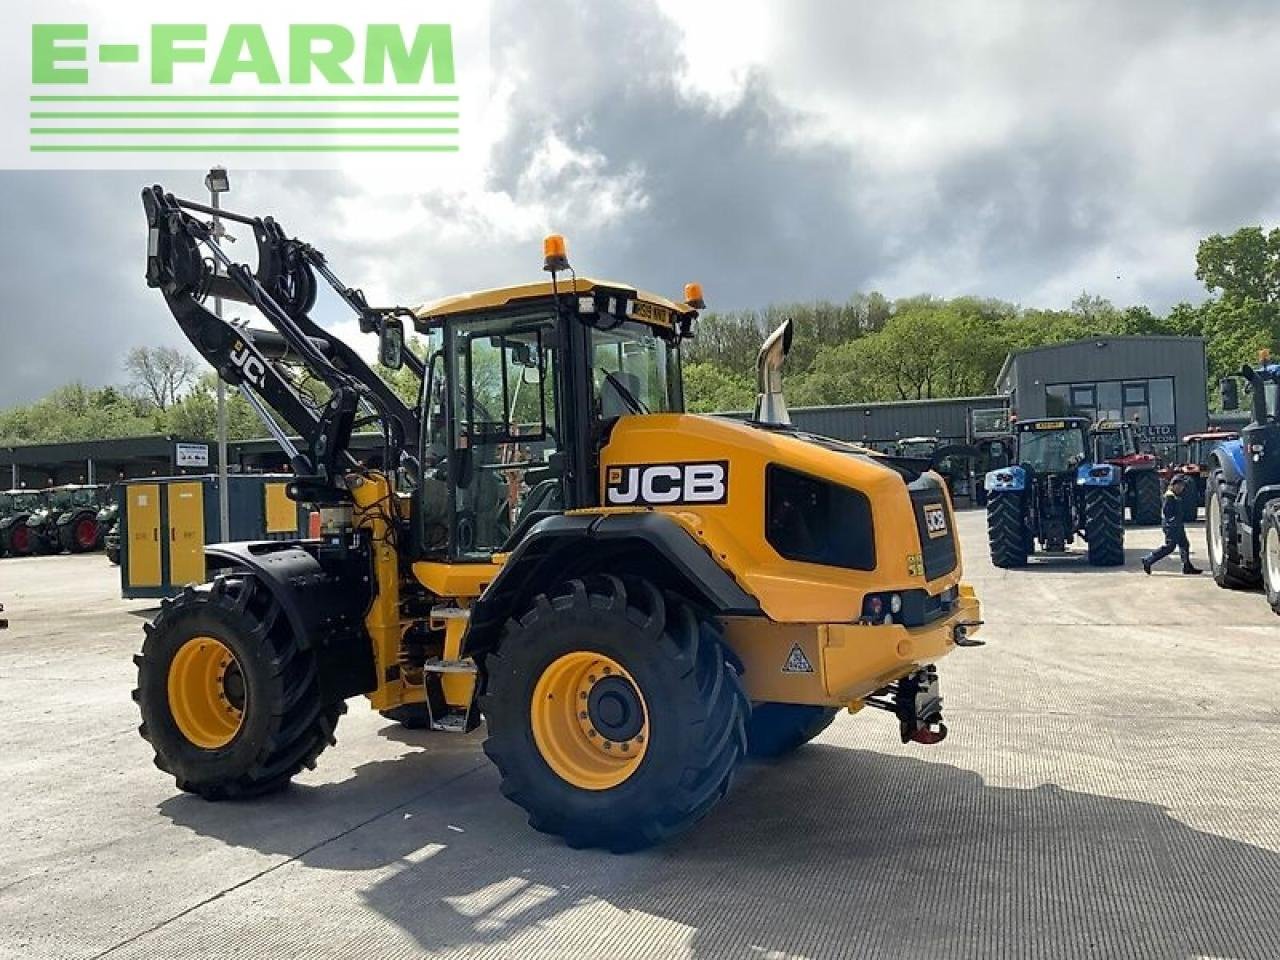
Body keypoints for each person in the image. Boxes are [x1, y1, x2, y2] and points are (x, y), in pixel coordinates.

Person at [1142, 474, 1202, 575]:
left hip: (1177, 524)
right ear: (1174, 485)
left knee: (1184, 544)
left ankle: (1187, 566)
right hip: (1172, 525)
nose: (1182, 488)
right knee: (1170, 547)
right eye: (1180, 486)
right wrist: (1172, 523)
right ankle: (1148, 559)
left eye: (1183, 486)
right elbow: (1167, 512)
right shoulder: (1169, 496)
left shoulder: (1175, 495)